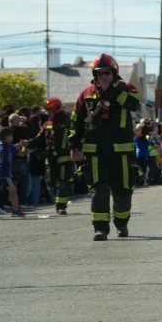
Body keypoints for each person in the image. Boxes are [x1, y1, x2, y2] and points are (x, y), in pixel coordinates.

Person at [69, 53, 142, 241]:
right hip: (95, 151)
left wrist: (113, 92)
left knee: (123, 190)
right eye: (100, 74)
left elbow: (135, 105)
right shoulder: (86, 93)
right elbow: (76, 121)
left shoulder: (126, 88)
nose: (104, 77)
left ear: (114, 72)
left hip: (122, 152)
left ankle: (121, 223)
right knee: (99, 190)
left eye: (107, 73)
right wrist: (74, 144)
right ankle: (100, 228)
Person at [26, 98, 74, 215]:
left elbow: (74, 137)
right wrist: (28, 143)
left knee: (62, 183)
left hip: (64, 157)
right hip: (50, 158)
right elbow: (40, 138)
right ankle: (60, 199)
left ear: (57, 110)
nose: (48, 114)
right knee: (50, 183)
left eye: (50, 111)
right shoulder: (47, 124)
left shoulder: (67, 122)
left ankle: (61, 206)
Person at [0, 127, 28, 218]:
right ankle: (15, 210)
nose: (12, 137)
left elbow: (10, 148)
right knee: (13, 191)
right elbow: (22, 153)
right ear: (7, 137)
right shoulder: (9, 146)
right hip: (5, 172)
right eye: (11, 136)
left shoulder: (0, 144)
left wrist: (17, 145)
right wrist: (24, 146)